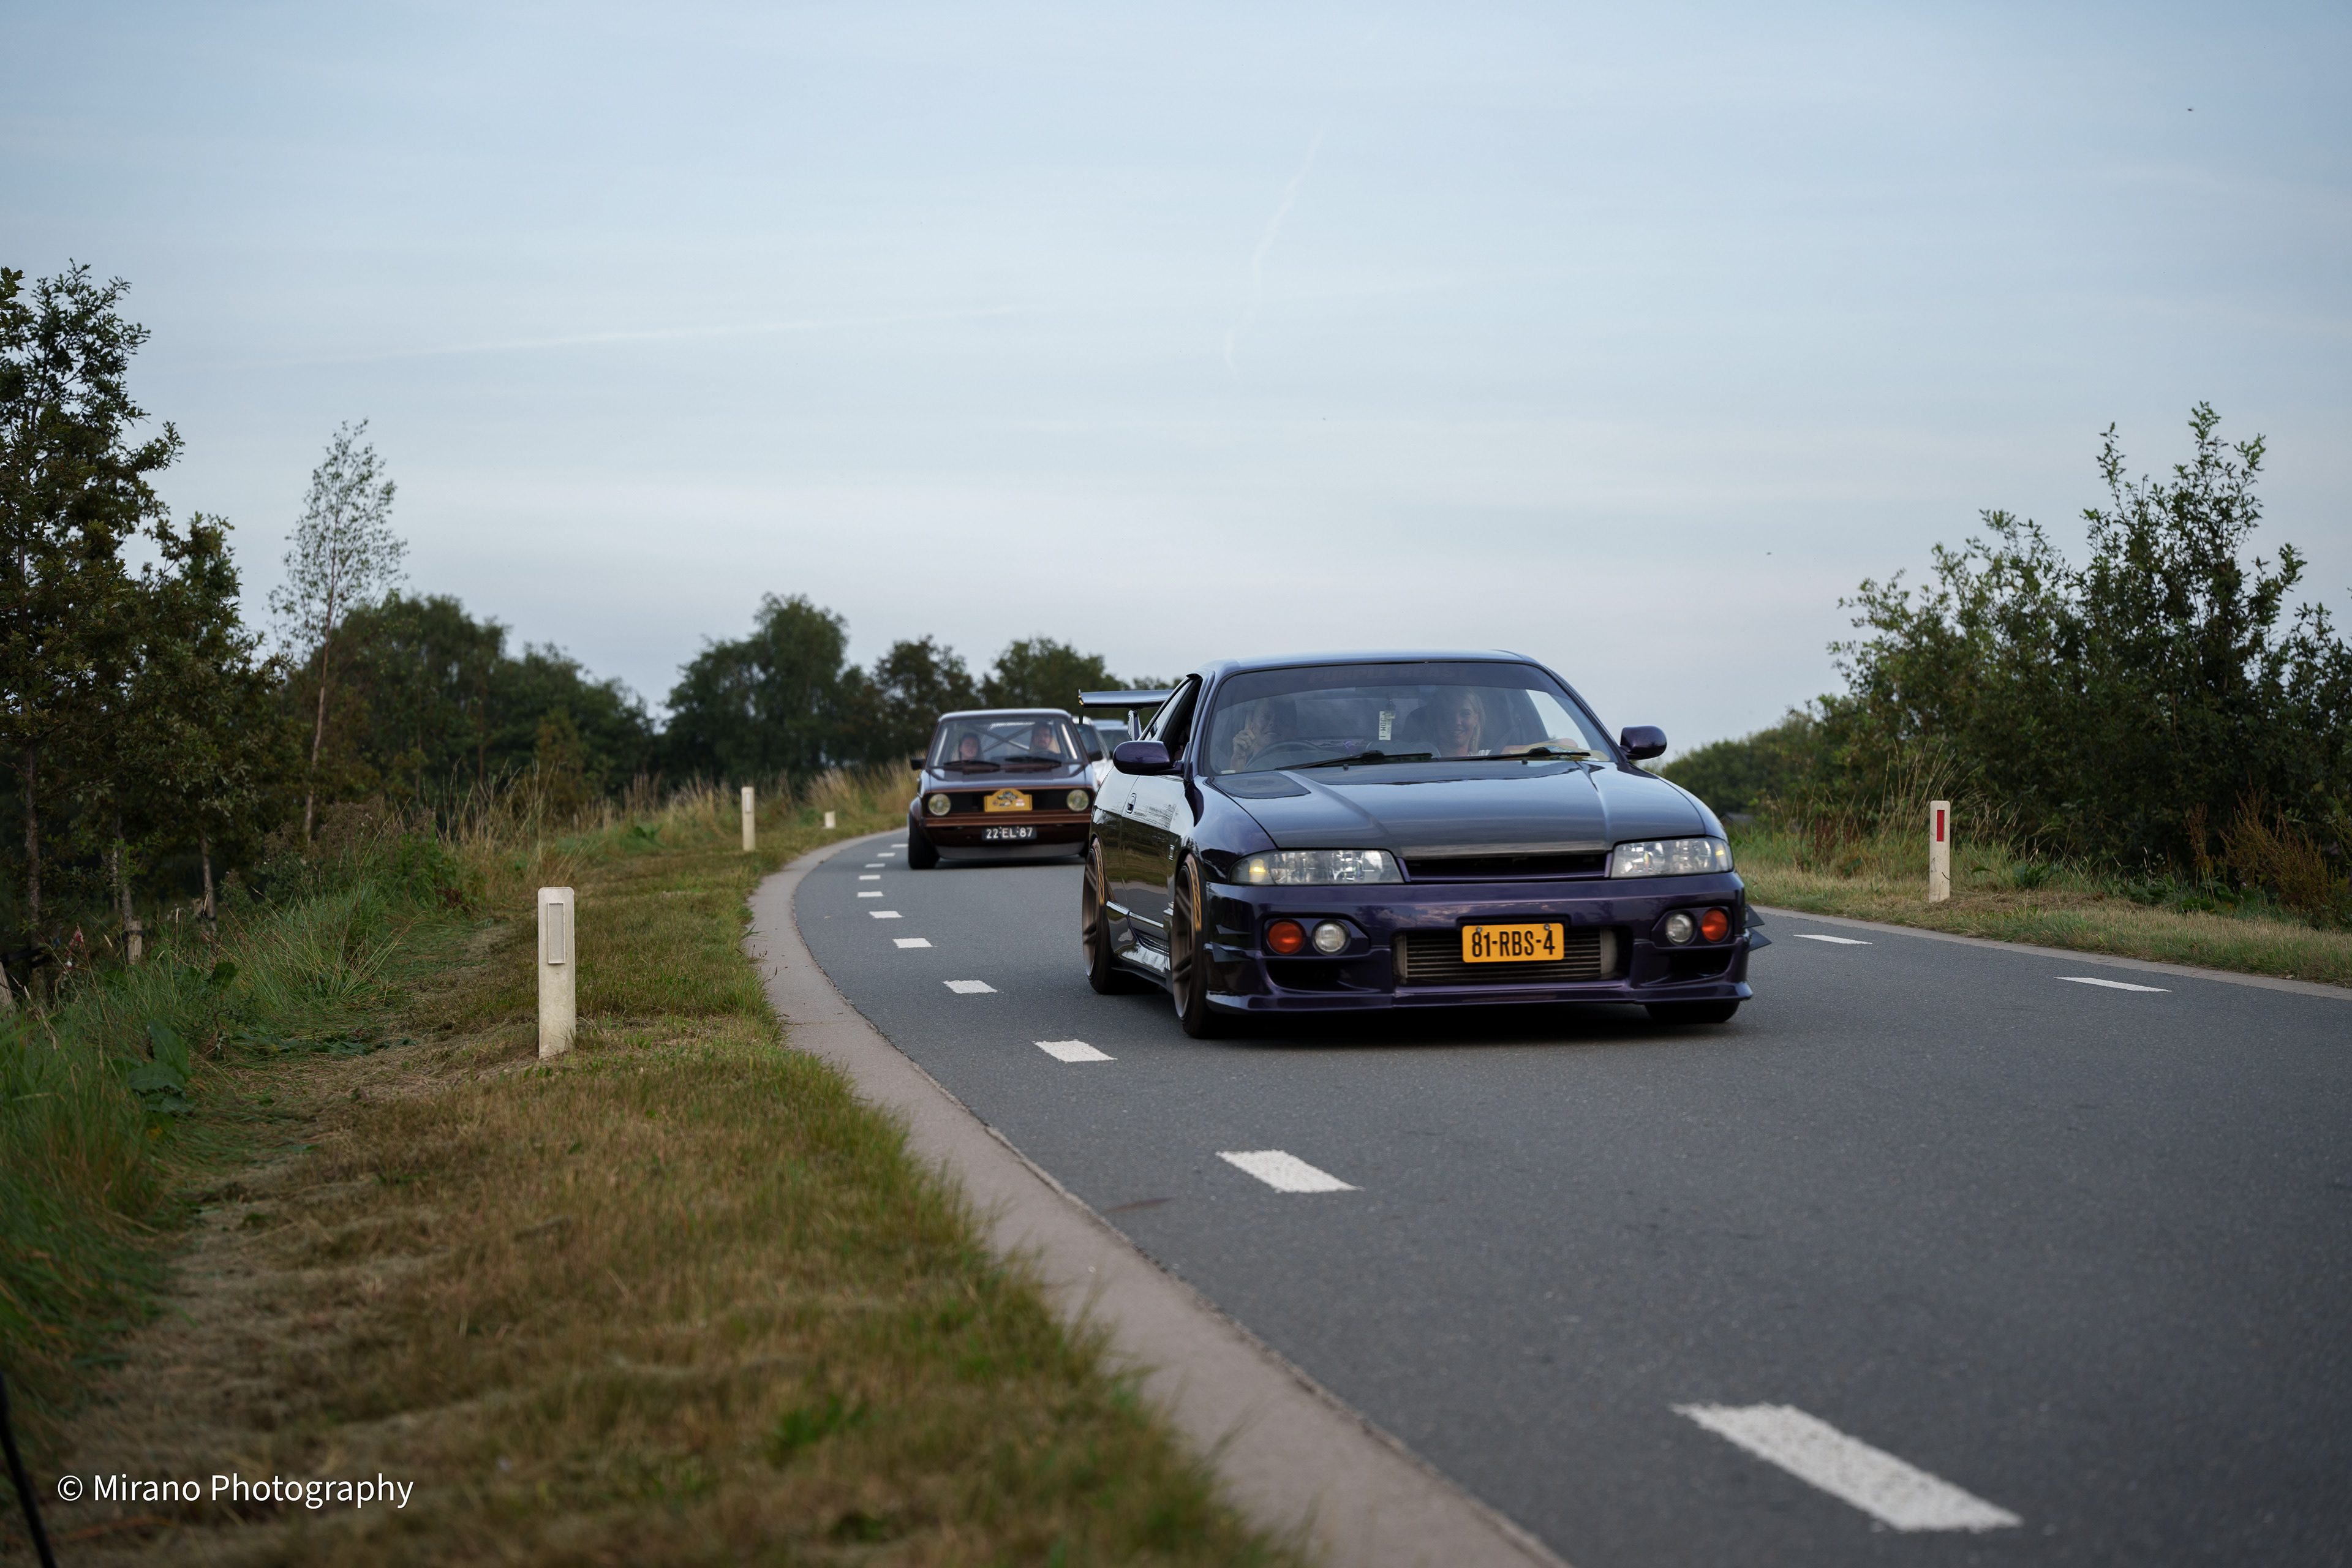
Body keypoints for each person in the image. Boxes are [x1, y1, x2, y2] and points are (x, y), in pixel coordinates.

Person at [1430, 690, 1487, 756]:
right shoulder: (1421, 757)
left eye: (1465, 714)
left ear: (1476, 718)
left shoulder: (1490, 757)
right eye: (1448, 714)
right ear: (1436, 719)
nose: (1457, 722)